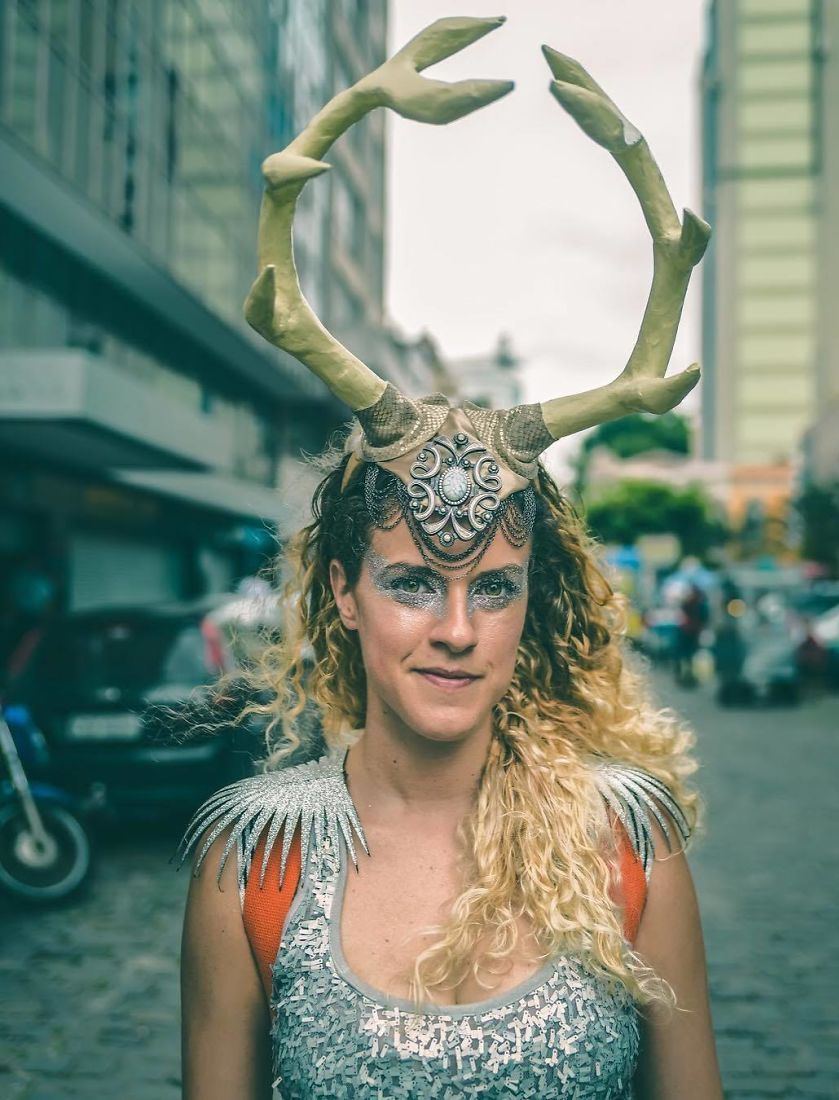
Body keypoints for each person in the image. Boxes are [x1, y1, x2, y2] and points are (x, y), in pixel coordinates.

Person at [176, 16, 722, 1099]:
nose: (458, 628)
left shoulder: (629, 841)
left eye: (496, 587)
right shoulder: (250, 863)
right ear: (342, 592)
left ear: (534, 601)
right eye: (413, 579)